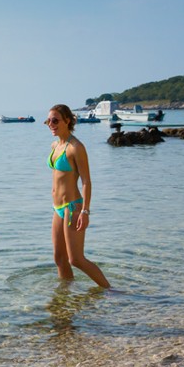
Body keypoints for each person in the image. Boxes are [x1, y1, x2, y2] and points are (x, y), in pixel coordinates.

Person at [45, 104, 111, 288]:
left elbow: (86, 182)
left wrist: (85, 211)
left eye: (55, 120)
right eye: (48, 121)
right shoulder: (55, 145)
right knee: (59, 258)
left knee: (76, 259)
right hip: (57, 209)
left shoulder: (76, 147)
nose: (51, 124)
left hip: (73, 207)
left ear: (68, 121)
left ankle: (110, 290)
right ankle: (66, 298)